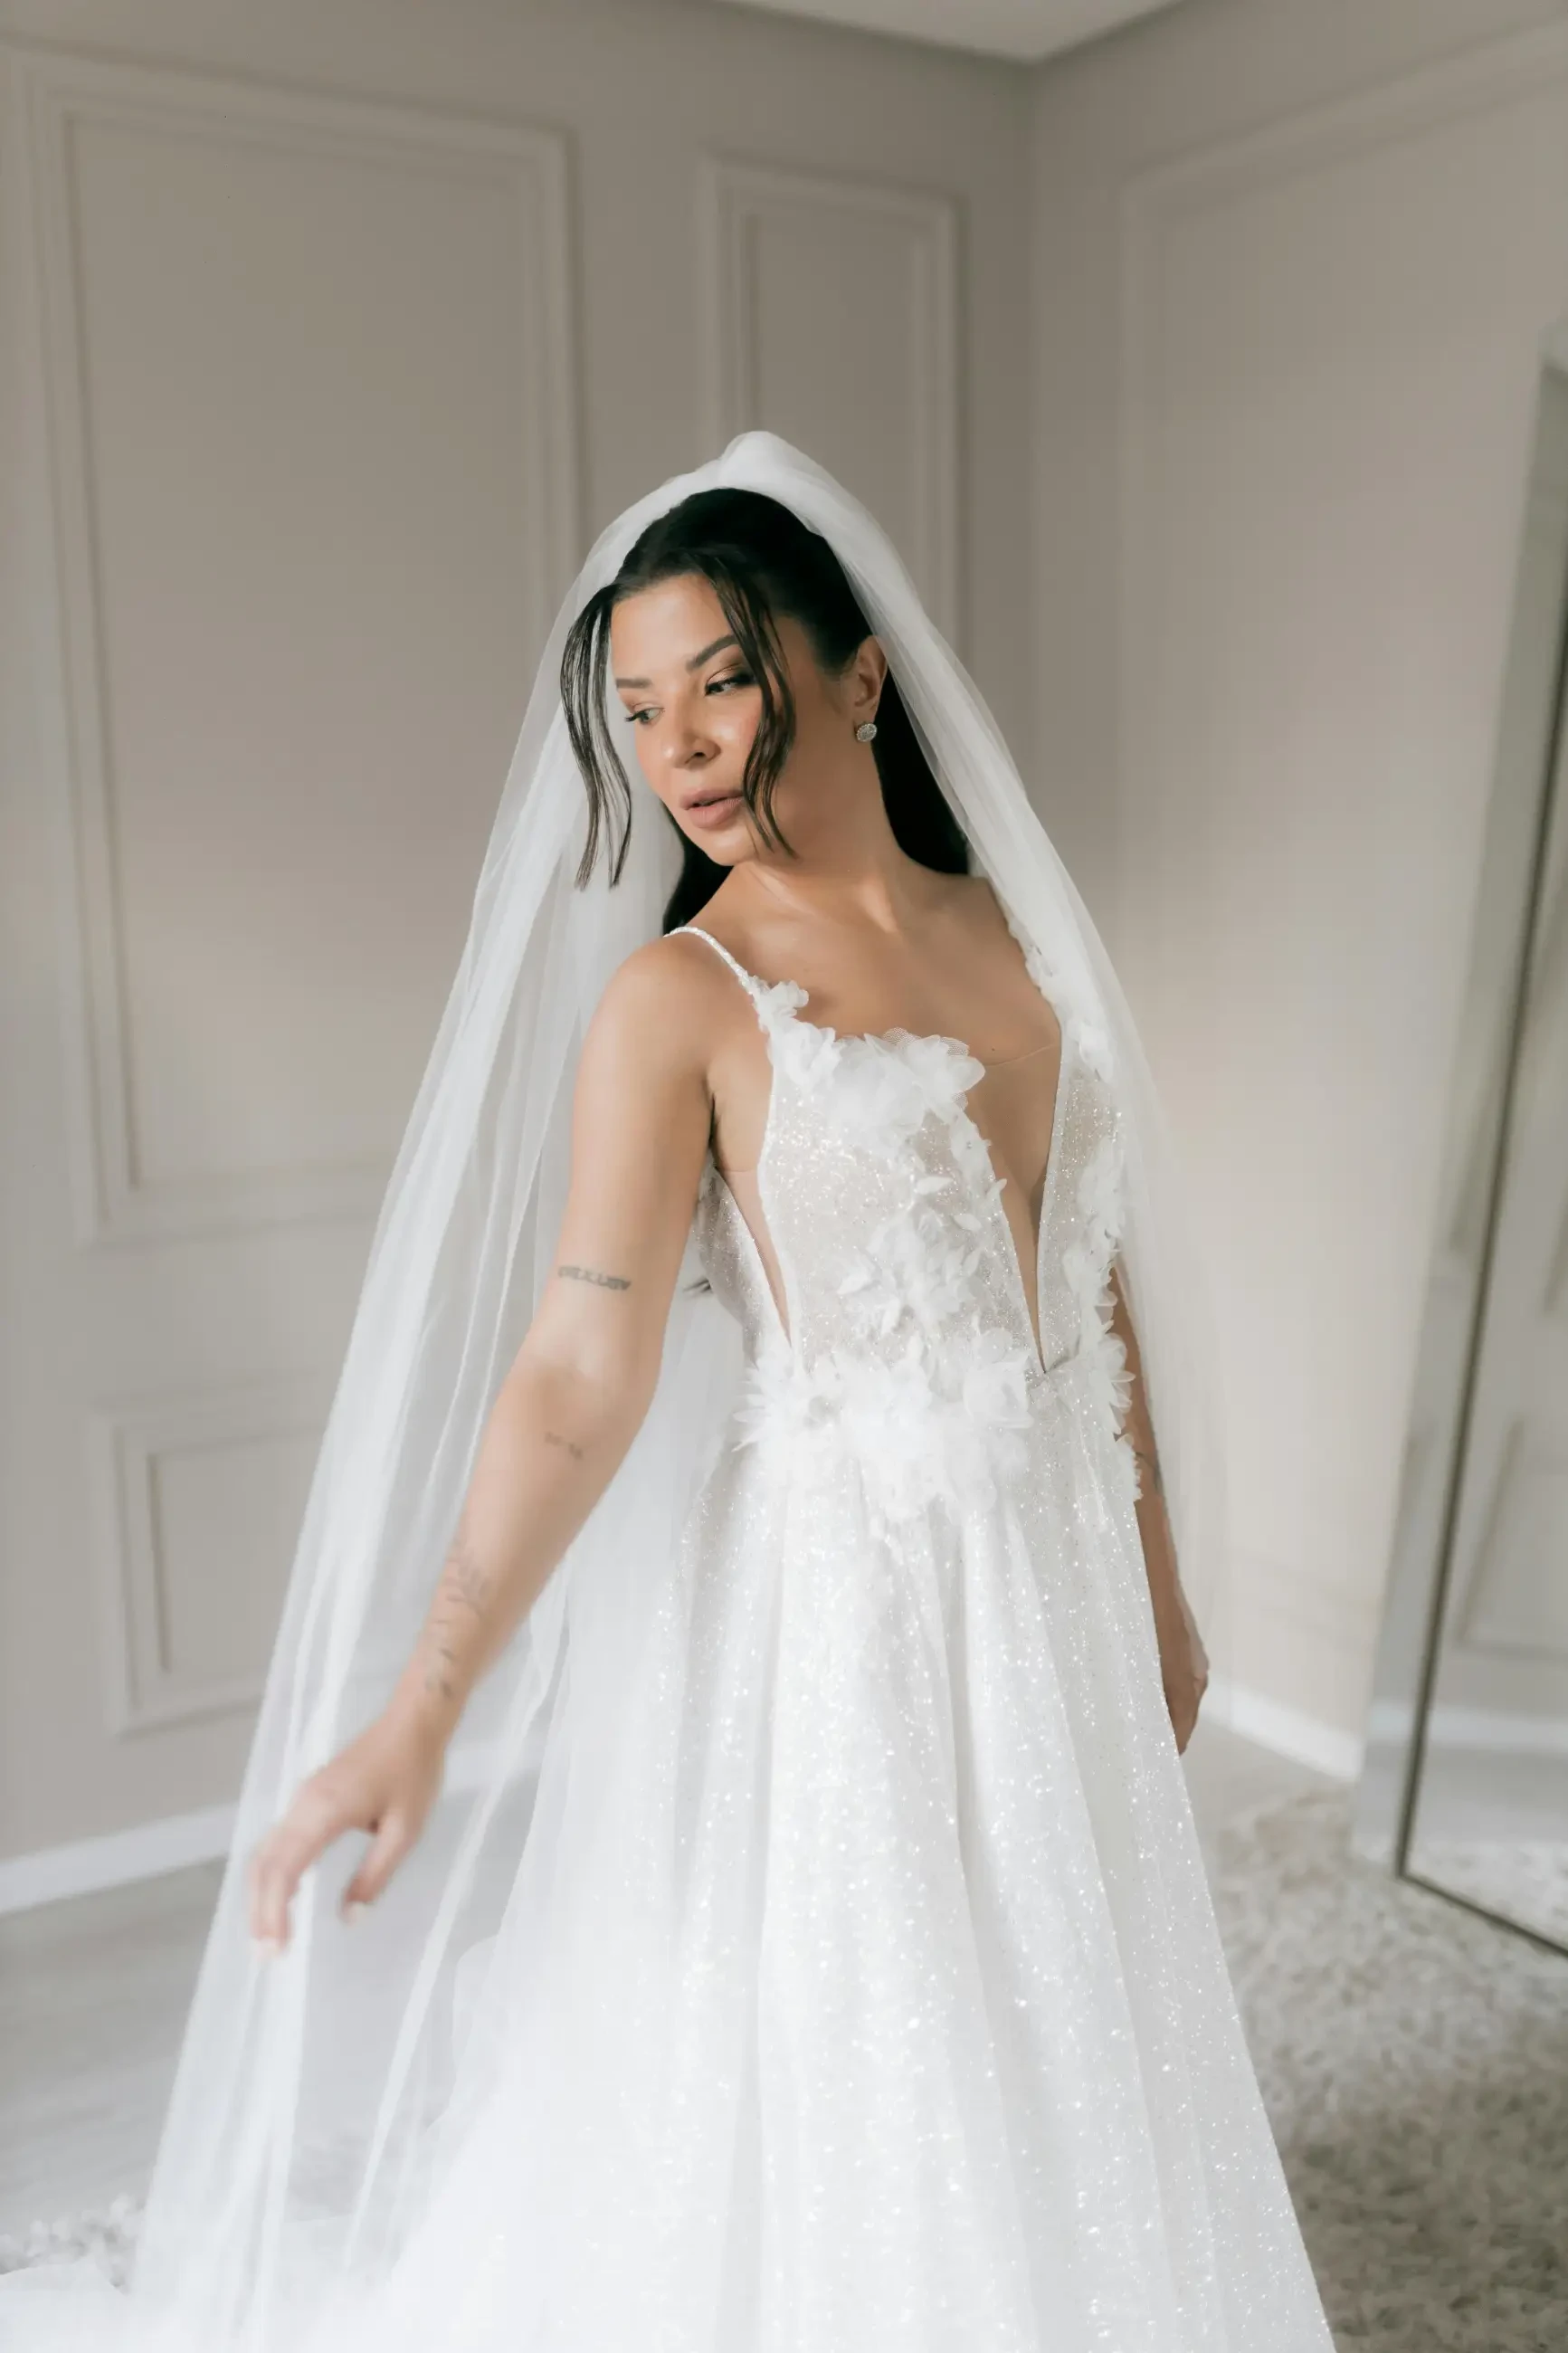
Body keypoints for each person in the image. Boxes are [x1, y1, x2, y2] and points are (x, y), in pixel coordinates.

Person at [0, 435, 1334, 2350]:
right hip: (845, 1626)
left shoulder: (1023, 936)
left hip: (1046, 1589)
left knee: (1065, 1993)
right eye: (637, 710)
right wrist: (422, 1708)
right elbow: (575, 1369)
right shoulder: (681, 1003)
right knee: (872, 2051)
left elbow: (1091, 1283)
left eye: (720, 680)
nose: (680, 746)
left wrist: (1161, 1582)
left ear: (857, 677)